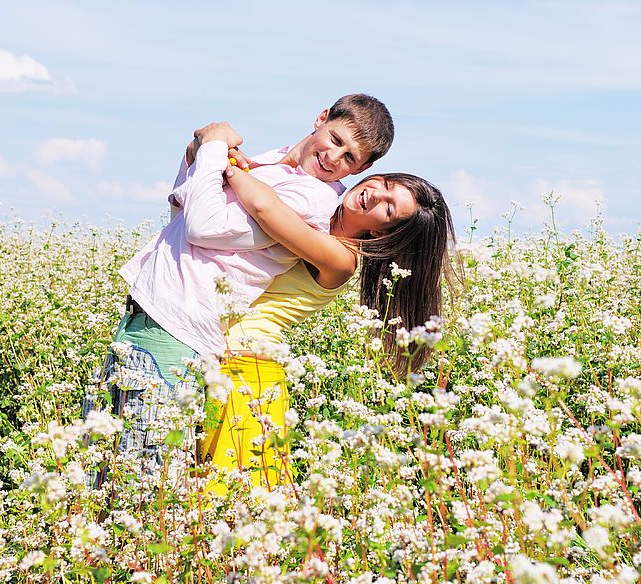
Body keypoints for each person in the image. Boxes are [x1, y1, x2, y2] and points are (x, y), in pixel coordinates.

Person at [84, 95, 394, 482]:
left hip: (183, 330)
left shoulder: (312, 200)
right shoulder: (271, 163)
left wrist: (216, 149)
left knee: (143, 480)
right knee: (100, 472)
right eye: (335, 140)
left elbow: (204, 226)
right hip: (148, 314)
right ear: (320, 119)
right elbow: (184, 212)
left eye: (349, 158)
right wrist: (198, 150)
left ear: (360, 168)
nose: (334, 158)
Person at [197, 157, 456, 495]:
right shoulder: (317, 212)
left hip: (250, 371)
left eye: (389, 209)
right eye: (386, 185)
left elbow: (264, 207)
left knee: (230, 497)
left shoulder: (340, 257)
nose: (376, 194)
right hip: (214, 353)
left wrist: (223, 161)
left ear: (381, 232)